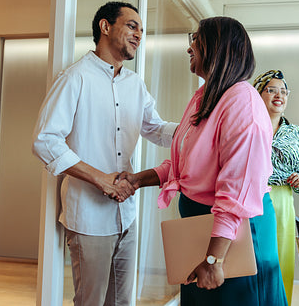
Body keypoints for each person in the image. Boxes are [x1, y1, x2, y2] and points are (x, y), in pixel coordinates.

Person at [115, 17, 288, 306]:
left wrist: (213, 259)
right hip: (203, 228)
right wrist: (137, 180)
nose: (189, 48)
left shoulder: (243, 103)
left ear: (217, 48)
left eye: (195, 39)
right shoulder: (204, 96)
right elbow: (188, 162)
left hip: (234, 234)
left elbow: (237, 189)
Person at [32, 1, 177, 306]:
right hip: (88, 218)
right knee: (91, 302)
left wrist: (199, 129)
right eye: (131, 25)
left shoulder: (135, 84)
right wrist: (100, 179)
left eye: (142, 30)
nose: (139, 34)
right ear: (105, 26)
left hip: (126, 216)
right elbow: (45, 140)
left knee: (122, 302)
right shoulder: (75, 77)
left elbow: (157, 128)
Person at [252, 70, 299, 306]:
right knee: (256, 261)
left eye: (284, 91)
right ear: (259, 94)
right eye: (272, 90)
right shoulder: (250, 127)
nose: (279, 95)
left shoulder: (296, 133)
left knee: (281, 260)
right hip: (253, 198)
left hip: (284, 202)